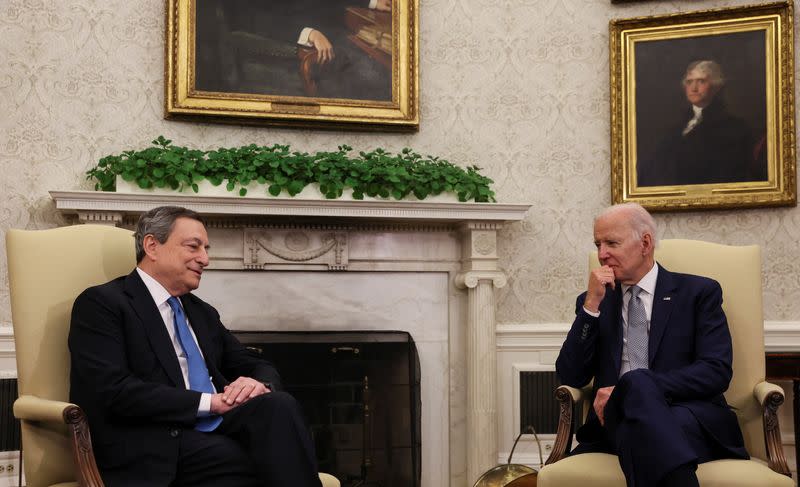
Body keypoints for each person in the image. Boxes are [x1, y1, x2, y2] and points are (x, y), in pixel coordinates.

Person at [68, 206, 322, 487]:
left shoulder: (201, 312)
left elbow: (253, 362)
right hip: (153, 440)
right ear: (152, 246)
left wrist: (255, 384)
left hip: (213, 431)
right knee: (262, 456)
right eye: (194, 247)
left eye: (206, 248)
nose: (205, 259)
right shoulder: (103, 304)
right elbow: (113, 391)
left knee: (280, 405)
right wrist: (211, 403)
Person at [556, 203, 748, 487]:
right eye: (598, 244)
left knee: (637, 398)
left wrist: (628, 388)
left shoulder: (698, 293)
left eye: (612, 243)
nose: (601, 254)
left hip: (686, 413)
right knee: (645, 423)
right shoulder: (595, 301)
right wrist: (590, 307)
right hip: (613, 420)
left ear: (645, 243)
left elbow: (716, 371)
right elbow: (571, 375)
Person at [637, 60, 761, 187]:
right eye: (689, 82)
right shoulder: (676, 128)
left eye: (701, 81)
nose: (694, 88)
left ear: (716, 86)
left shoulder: (735, 128)